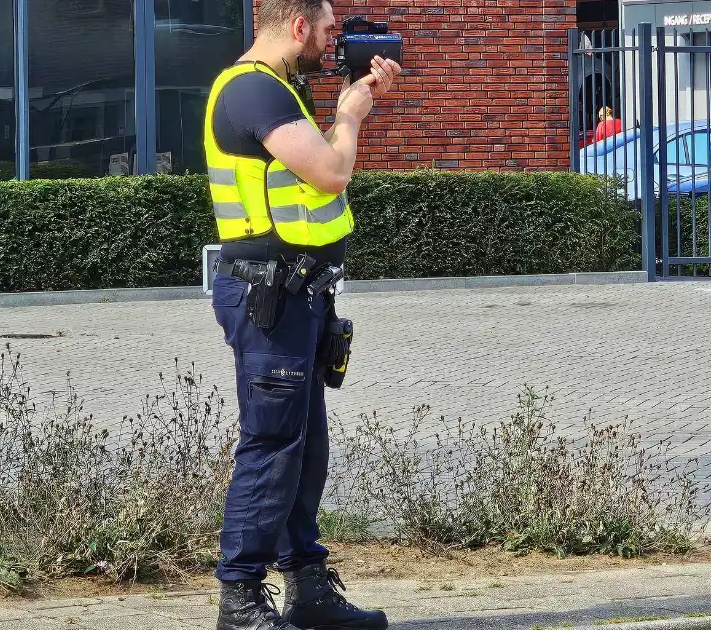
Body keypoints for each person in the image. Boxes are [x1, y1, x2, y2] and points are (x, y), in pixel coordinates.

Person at [202, 1, 401, 629]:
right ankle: (240, 600)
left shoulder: (279, 90)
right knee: (271, 446)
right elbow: (330, 172)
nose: (329, 40)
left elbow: (305, 189)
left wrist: (350, 98)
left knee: (303, 447)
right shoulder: (255, 92)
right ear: (296, 28)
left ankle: (308, 588)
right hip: (269, 298)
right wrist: (350, 116)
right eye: (325, 29)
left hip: (298, 295)